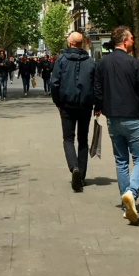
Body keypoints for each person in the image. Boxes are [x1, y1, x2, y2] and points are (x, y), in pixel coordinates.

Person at [93, 26, 139, 225]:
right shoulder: (135, 63)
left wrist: (98, 108)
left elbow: (97, 89)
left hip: (113, 118)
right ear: (125, 41)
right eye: (132, 38)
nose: (134, 41)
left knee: (121, 160)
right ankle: (132, 193)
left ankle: (126, 200)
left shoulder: (102, 63)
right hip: (133, 117)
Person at [51, 32, 96, 192]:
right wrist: (97, 105)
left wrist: (58, 102)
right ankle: (81, 175)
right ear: (81, 44)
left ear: (70, 43)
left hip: (67, 105)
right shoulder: (90, 61)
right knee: (83, 139)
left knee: (68, 139)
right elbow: (96, 84)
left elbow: (54, 82)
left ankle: (74, 168)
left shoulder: (61, 60)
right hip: (85, 105)